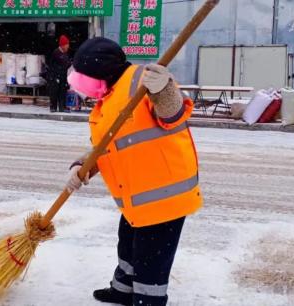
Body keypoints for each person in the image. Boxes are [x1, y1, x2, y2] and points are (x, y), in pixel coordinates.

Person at [65, 38, 203, 306]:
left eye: (85, 76)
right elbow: (107, 146)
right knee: (128, 248)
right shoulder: (109, 97)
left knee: (151, 260)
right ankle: (122, 290)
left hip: (164, 196)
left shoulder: (146, 81)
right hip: (135, 195)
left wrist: (164, 89)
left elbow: (172, 114)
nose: (81, 83)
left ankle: (147, 301)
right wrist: (83, 167)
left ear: (103, 72)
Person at [47, 35, 72, 112]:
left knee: (62, 91)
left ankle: (62, 107)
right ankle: (53, 107)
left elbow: (67, 63)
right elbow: (64, 63)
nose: (68, 47)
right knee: (54, 92)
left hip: (62, 75)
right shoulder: (56, 53)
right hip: (55, 76)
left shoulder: (64, 53)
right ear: (63, 45)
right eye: (67, 45)